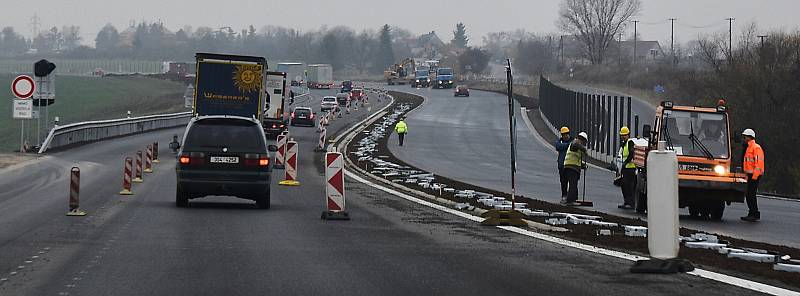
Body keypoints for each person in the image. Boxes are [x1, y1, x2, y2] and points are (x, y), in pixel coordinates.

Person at [740, 128, 765, 222]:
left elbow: (759, 163)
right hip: (750, 175)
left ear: (750, 137)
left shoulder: (756, 147)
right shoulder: (748, 148)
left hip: (755, 175)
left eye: (745, 136)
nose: (743, 138)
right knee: (749, 194)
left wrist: (755, 176)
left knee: (751, 194)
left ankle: (754, 213)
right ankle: (752, 213)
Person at [562, 132, 588, 206]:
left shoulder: (577, 146)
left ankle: (572, 199)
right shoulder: (576, 142)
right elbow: (575, 144)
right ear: (583, 139)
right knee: (573, 184)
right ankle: (570, 201)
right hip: (572, 167)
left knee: (573, 184)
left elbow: (576, 158)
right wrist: (584, 149)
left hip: (571, 166)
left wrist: (583, 165)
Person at [617, 126, 637, 210]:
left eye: (625, 135)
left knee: (629, 186)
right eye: (622, 135)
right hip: (625, 168)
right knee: (624, 185)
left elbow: (631, 153)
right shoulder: (623, 144)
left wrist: (626, 162)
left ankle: (630, 203)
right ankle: (626, 202)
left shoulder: (630, 142)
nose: (623, 136)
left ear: (628, 135)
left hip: (630, 168)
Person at [554, 126, 572, 202]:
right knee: (563, 181)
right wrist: (567, 145)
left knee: (571, 182)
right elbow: (558, 146)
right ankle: (564, 195)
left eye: (567, 134)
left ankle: (570, 196)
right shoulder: (559, 142)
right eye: (564, 134)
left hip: (570, 165)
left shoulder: (572, 141)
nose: (565, 135)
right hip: (562, 165)